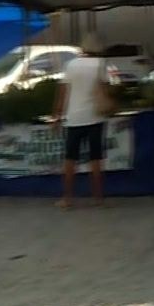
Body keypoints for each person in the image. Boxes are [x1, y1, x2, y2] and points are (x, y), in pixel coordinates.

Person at [53, 33, 111, 209]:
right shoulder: (100, 64)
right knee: (95, 158)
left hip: (74, 118)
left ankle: (68, 198)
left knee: (70, 159)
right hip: (94, 117)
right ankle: (98, 198)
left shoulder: (70, 65)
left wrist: (56, 116)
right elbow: (105, 90)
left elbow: (62, 94)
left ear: (83, 49)